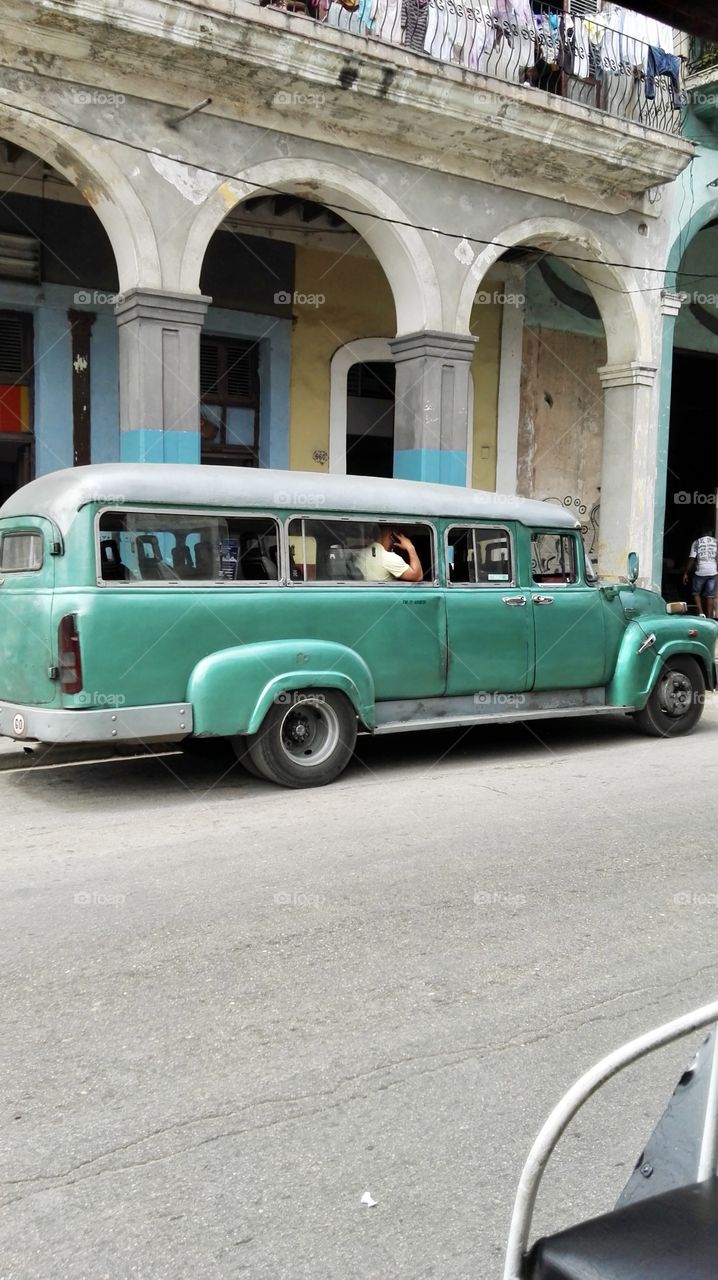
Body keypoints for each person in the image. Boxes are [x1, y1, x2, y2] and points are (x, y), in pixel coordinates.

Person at [354, 525, 423, 582]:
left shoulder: (361, 553)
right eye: (401, 535)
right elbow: (418, 576)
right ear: (393, 536)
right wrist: (410, 547)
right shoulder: (389, 558)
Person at [683, 525, 718, 619]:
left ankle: (701, 613)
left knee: (696, 593)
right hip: (713, 572)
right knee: (710, 595)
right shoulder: (716, 542)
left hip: (700, 572)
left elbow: (692, 559)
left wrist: (686, 572)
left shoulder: (696, 543)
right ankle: (710, 617)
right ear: (711, 533)